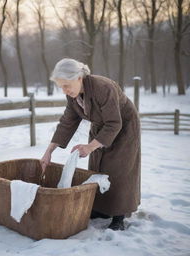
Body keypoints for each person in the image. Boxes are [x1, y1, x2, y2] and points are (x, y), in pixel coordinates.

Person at [40, 58, 141, 231]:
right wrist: (49, 150)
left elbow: (114, 123)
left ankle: (118, 216)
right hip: (100, 126)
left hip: (123, 128)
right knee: (98, 166)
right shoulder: (73, 95)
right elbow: (67, 122)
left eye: (66, 85)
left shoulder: (103, 88)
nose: (64, 90)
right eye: (61, 86)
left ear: (79, 77)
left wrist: (90, 146)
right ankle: (102, 208)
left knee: (118, 169)